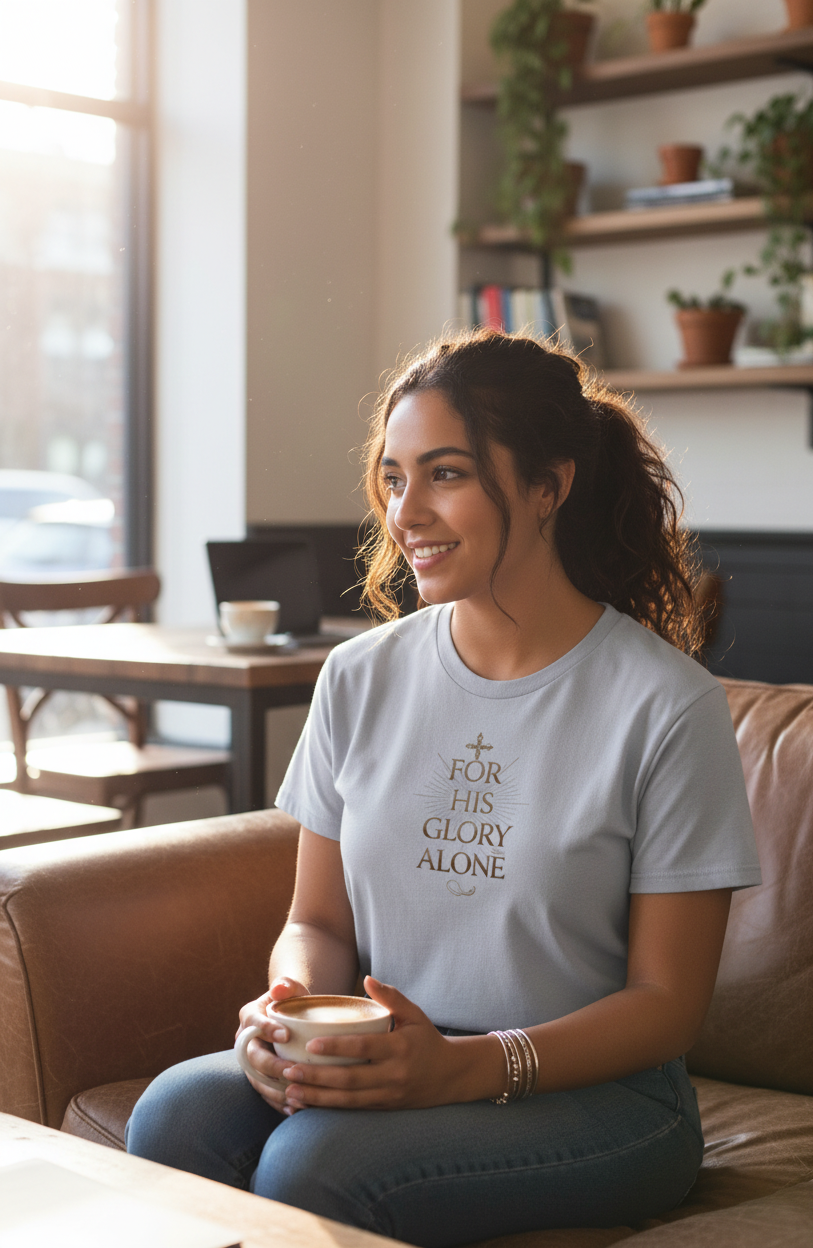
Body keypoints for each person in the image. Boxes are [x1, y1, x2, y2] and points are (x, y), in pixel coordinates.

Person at [127, 331, 760, 1246]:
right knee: (176, 1115)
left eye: (446, 474)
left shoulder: (666, 707)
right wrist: (291, 1009)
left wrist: (461, 1069)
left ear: (549, 485)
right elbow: (319, 923)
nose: (405, 511)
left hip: (598, 1094)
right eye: (393, 477)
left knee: (312, 1168)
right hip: (395, 1051)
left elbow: (667, 1006)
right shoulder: (357, 675)